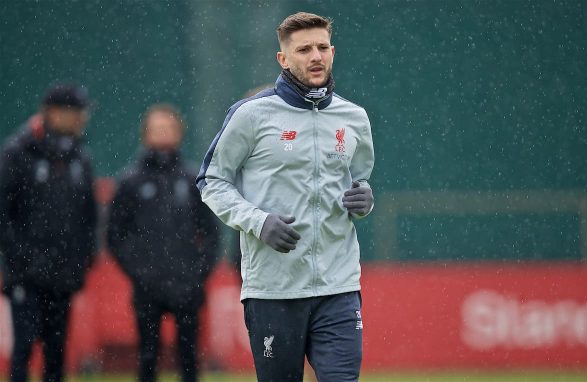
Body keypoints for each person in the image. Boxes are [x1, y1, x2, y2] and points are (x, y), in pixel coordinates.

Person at [196, 12, 374, 382]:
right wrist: (259, 223)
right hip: (273, 290)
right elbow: (211, 180)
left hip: (338, 287)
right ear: (283, 58)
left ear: (333, 52)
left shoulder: (354, 117)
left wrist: (365, 200)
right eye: (304, 48)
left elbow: (359, 181)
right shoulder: (251, 115)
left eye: (322, 47)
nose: (315, 56)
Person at [107, 104, 219, 382]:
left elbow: (212, 233)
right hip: (147, 288)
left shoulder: (194, 179)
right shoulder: (130, 182)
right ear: (145, 135)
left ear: (180, 133)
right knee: (147, 356)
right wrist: (140, 272)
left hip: (187, 286)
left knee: (189, 356)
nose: (163, 134)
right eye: (157, 129)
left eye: (168, 128)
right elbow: (115, 236)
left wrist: (197, 273)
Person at [0, 84, 97, 382]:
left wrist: (83, 260)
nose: (82, 119)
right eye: (76, 113)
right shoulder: (18, 151)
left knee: (56, 352)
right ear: (55, 112)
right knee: (25, 347)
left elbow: (88, 216)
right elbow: (3, 212)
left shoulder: (79, 156)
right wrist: (20, 259)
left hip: (63, 274)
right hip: (26, 275)